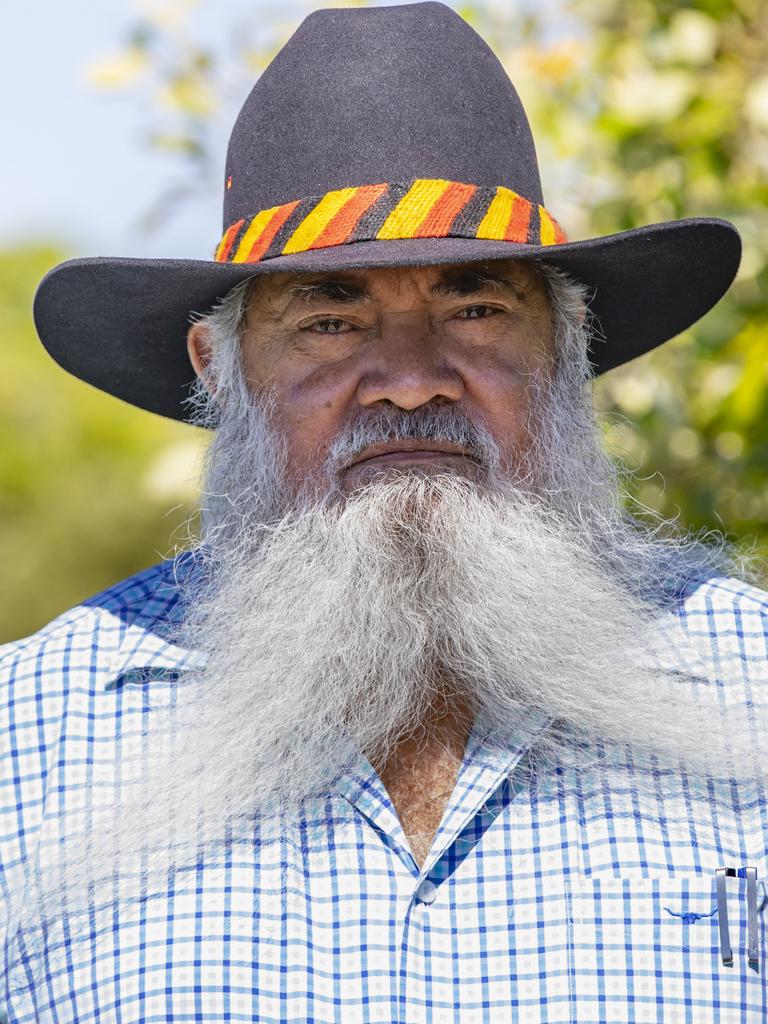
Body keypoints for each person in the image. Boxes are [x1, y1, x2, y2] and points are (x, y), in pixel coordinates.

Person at [2, 3, 767, 1021]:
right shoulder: (27, 741)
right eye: (329, 315)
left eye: (477, 306)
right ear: (218, 371)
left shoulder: (748, 687)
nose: (410, 380)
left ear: (565, 349)